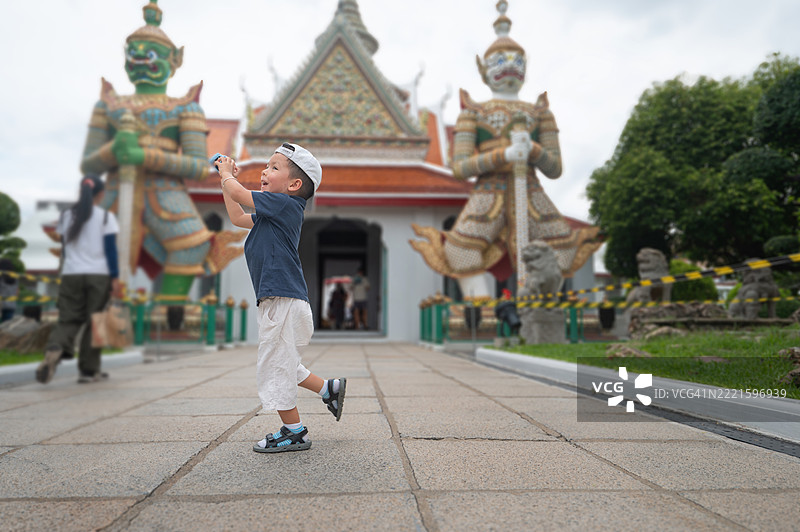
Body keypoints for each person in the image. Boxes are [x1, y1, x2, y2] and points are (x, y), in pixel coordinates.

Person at [216, 143, 346, 453]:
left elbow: (240, 195)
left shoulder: (285, 205)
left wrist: (227, 175)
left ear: (294, 185)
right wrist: (225, 181)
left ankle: (294, 431)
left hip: (283, 298)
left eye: (274, 167)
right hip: (278, 299)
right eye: (266, 165)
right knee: (283, 361)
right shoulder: (271, 214)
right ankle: (328, 388)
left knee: (275, 366)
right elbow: (236, 215)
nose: (264, 171)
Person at [36, 175, 121, 384]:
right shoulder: (105, 217)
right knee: (96, 321)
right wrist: (115, 278)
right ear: (101, 194)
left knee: (68, 319)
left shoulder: (66, 216)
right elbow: (110, 251)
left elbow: (65, 248)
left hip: (71, 274)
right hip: (99, 275)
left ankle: (55, 348)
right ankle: (88, 371)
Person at [0, 258, 18, 323]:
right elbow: (17, 292)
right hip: (11, 305)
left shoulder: (1, 277)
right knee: (7, 325)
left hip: (1, 304)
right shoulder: (15, 278)